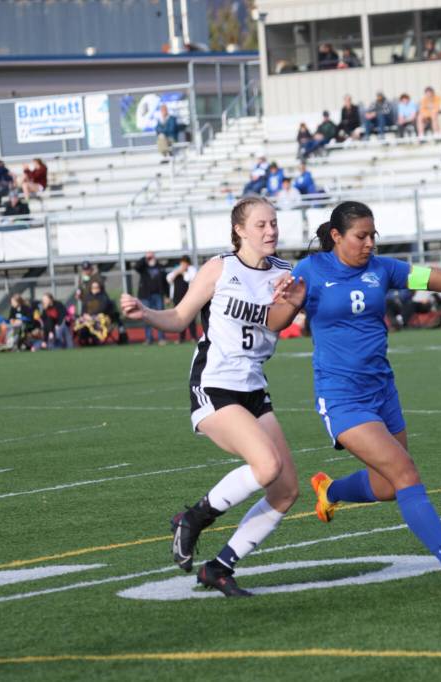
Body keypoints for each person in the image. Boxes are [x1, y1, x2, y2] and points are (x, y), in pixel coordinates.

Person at [267, 200, 441, 589]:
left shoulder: (383, 269)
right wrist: (291, 304)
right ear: (336, 236)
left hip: (382, 390)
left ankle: (330, 489)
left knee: (386, 487)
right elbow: (275, 322)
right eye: (360, 237)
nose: (369, 244)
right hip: (341, 395)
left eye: (372, 236)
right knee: (405, 472)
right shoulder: (311, 270)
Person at [120, 197, 300, 597]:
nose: (270, 231)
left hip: (254, 387)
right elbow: (180, 317)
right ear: (239, 230)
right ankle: (193, 517)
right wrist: (146, 314)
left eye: (274, 223)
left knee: (286, 490)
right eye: (260, 225)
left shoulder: (287, 273)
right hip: (215, 384)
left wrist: (299, 301)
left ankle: (219, 567)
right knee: (267, 465)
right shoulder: (220, 268)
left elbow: (288, 319)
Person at [134, 252, 169, 345]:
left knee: (160, 316)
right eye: (149, 257)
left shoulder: (160, 267)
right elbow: (136, 266)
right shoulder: (143, 267)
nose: (150, 259)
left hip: (158, 295)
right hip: (145, 296)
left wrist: (167, 296)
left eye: (151, 256)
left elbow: (165, 283)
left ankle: (161, 338)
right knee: (146, 317)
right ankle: (149, 338)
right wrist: (145, 258)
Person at [167, 255, 199, 342]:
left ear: (188, 263)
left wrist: (183, 272)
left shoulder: (192, 270)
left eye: (185, 263)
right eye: (182, 263)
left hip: (188, 297)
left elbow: (189, 278)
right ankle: (181, 338)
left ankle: (194, 336)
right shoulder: (177, 269)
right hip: (177, 298)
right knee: (179, 318)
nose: (183, 265)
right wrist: (178, 272)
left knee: (191, 317)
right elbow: (169, 279)